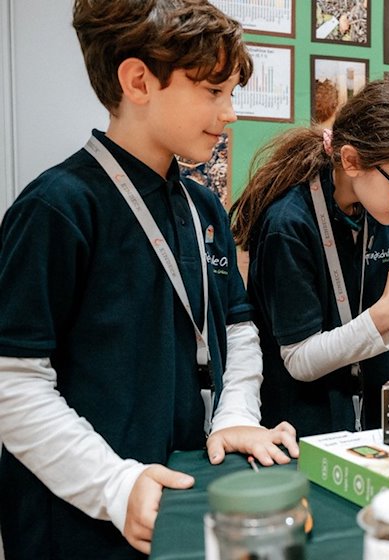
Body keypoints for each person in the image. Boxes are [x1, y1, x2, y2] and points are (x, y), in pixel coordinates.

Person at [0, 1, 299, 558]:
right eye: (214, 93)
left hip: (179, 494)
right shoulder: (58, 208)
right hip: (81, 521)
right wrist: (115, 486)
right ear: (139, 80)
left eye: (231, 94)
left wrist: (233, 418)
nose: (230, 113)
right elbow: (13, 384)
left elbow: (238, 331)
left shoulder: (203, 208)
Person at [230, 79, 389, 437]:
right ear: (351, 161)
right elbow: (299, 359)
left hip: (370, 420)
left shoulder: (378, 210)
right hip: (302, 428)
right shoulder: (288, 225)